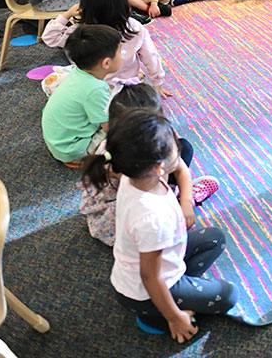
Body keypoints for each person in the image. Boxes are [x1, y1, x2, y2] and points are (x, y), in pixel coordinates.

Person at [81, 109, 238, 343]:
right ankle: (160, 314)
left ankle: (177, 297)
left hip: (161, 266)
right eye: (175, 144)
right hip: (144, 292)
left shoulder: (131, 174)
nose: (179, 144)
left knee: (215, 238)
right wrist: (175, 317)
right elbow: (149, 276)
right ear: (158, 167)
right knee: (229, 296)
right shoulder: (152, 219)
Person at [79, 84, 220, 247]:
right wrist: (180, 209)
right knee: (212, 239)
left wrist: (186, 203)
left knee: (184, 147)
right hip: (128, 223)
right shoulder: (139, 174)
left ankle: (178, 194)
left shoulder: (125, 145)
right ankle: (176, 194)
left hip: (136, 198)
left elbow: (180, 168)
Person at [41, 0, 171, 98]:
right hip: (126, 84)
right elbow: (151, 56)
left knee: (50, 82)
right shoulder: (134, 27)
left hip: (92, 88)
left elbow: (49, 37)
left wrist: (67, 14)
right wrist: (157, 84)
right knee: (137, 77)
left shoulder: (83, 31)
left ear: (86, 6)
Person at [41, 25, 122, 165]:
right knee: (127, 134)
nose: (123, 55)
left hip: (59, 141)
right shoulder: (95, 89)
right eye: (120, 51)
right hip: (74, 149)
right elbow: (109, 127)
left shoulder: (78, 73)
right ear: (106, 63)